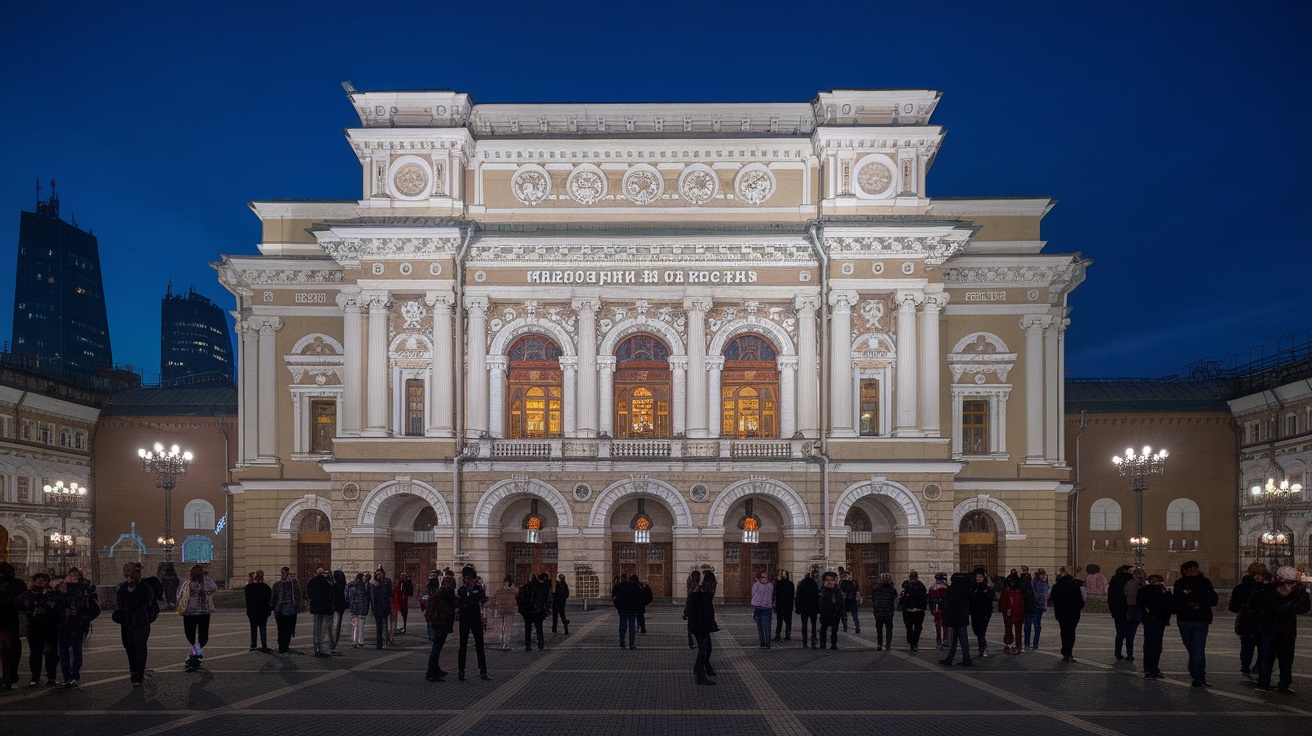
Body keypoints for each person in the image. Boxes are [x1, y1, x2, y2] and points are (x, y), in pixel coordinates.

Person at [1252, 566, 1311, 694]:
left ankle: (1269, 684)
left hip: (1275, 630)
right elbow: (1303, 607)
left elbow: (1305, 607)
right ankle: (1277, 684)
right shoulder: (1280, 591)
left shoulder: (1273, 590)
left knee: (1274, 658)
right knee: (1280, 659)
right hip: (1280, 630)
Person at [1172, 559, 1218, 687]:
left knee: (1197, 649)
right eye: (1190, 569)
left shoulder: (1204, 582)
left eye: (1195, 569)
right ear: (1185, 571)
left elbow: (1213, 599)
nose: (1193, 571)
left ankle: (1198, 677)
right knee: (1193, 649)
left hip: (1200, 619)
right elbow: (1176, 600)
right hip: (1185, 619)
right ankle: (1197, 675)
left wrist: (1199, 604)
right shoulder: (1180, 583)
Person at [112, 562, 159, 685]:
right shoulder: (122, 588)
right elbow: (119, 604)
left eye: (131, 575)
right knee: (129, 646)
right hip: (127, 623)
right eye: (127, 575)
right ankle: (133, 670)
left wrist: (147, 616)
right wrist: (120, 614)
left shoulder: (145, 588)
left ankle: (139, 673)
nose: (129, 578)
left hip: (141, 621)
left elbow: (151, 605)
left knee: (140, 646)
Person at [55, 567, 98, 687]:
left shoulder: (85, 588)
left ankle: (74, 675)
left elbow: (94, 606)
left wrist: (85, 617)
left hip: (78, 624)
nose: (74, 578)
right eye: (71, 575)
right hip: (64, 624)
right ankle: (66, 676)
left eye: (76, 575)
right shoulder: (63, 587)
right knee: (63, 651)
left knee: (76, 649)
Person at [1229, 561, 1269, 680]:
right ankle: (1246, 667)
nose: (1258, 577)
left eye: (1261, 574)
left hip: (1263, 622)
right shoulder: (1242, 588)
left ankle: (1256, 666)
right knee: (1248, 647)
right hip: (1249, 622)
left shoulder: (1267, 588)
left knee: (1263, 647)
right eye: (1255, 574)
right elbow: (1233, 607)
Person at [17, 572, 59, 686]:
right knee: (35, 653)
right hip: (34, 628)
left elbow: (55, 606)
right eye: (38, 581)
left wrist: (46, 596)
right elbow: (18, 603)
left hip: (49, 628)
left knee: (51, 654)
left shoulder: (52, 593)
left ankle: (51, 677)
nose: (40, 583)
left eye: (43, 581)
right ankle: (35, 677)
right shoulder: (29, 594)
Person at [179, 564, 217, 671]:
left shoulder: (188, 584)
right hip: (200, 612)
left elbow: (180, 595)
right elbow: (214, 587)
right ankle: (195, 654)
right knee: (201, 636)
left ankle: (193, 654)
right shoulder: (193, 584)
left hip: (193, 612)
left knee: (191, 635)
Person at [455, 565, 490, 681]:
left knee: (480, 645)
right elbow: (461, 601)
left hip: (475, 618)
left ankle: (483, 670)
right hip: (465, 618)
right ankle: (461, 671)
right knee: (463, 646)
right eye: (467, 578)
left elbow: (482, 598)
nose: (469, 581)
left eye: (470, 578)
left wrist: (475, 591)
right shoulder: (462, 590)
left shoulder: (478, 588)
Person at [1137, 573, 1172, 679]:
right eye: (1152, 579)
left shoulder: (1164, 591)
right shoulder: (1144, 590)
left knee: (1157, 645)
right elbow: (1140, 603)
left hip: (1160, 620)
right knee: (1149, 643)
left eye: (1157, 579)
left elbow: (1169, 605)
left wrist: (1166, 619)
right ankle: (1148, 668)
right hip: (1149, 620)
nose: (1154, 581)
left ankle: (1154, 667)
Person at [686, 569, 719, 685]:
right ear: (709, 583)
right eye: (713, 583)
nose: (714, 586)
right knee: (703, 650)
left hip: (702, 624)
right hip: (700, 625)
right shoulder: (700, 593)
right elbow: (690, 604)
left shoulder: (704, 592)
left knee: (708, 647)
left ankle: (706, 667)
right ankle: (699, 674)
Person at [424, 575, 457, 682]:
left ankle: (436, 669)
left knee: (437, 647)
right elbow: (455, 603)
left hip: (439, 623)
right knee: (436, 648)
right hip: (441, 623)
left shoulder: (438, 593)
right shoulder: (444, 595)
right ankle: (431, 672)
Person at [1050, 569, 1085, 662]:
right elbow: (1080, 600)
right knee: (1071, 632)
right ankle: (1068, 652)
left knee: (1064, 631)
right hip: (1074, 613)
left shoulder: (1057, 586)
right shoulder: (1075, 586)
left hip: (1061, 613)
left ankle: (1065, 650)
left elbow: (1052, 599)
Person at [0, 562, 25, 690]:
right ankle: (9, 675)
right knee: (9, 650)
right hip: (10, 621)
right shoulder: (18, 584)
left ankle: (8, 676)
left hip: (9, 621)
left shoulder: (16, 585)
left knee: (6, 650)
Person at [939, 572, 973, 667]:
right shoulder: (964, 590)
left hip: (956, 619)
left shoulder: (954, 590)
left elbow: (949, 606)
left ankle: (963, 659)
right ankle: (960, 659)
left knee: (958, 640)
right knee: (960, 640)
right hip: (960, 619)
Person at [270, 566, 303, 654]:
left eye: (286, 573)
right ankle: (281, 646)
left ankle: (286, 645)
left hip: (291, 610)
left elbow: (298, 594)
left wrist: (299, 607)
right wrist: (273, 607)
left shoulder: (293, 584)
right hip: (280, 610)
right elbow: (273, 597)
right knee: (281, 629)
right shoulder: (277, 584)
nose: (284, 575)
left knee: (289, 629)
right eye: (282, 573)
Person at [1107, 564, 1134, 661]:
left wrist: (1112, 610)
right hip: (1130, 609)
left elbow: (1111, 596)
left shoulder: (1114, 580)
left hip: (1118, 610)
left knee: (1120, 633)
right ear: (1126, 571)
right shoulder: (1131, 580)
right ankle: (1130, 654)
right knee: (1130, 633)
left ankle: (1118, 653)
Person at [306, 567, 334, 658]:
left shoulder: (312, 582)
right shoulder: (327, 582)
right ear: (322, 574)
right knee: (324, 627)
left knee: (316, 627)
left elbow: (309, 592)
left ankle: (316, 646)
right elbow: (331, 594)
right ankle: (323, 647)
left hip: (316, 607)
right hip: (325, 608)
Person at [968, 568, 995, 658]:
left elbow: (990, 601)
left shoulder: (987, 589)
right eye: (977, 577)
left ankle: (982, 649)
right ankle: (982, 647)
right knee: (976, 631)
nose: (978, 578)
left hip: (984, 614)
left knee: (981, 632)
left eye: (980, 577)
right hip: (975, 614)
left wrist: (988, 613)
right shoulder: (972, 587)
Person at [517, 573, 547, 651]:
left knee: (528, 628)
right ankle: (540, 643)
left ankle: (528, 645)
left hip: (527, 612)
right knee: (539, 628)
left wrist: (522, 609)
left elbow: (519, 599)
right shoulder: (541, 587)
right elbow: (543, 600)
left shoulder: (525, 587)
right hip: (537, 611)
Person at [899, 570, 927, 652]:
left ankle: (914, 643)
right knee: (909, 628)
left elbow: (923, 599)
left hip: (918, 611)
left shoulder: (921, 587)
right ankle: (911, 641)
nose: (913, 580)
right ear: (910, 578)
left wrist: (920, 608)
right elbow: (903, 599)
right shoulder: (906, 587)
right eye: (912, 578)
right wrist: (906, 607)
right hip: (908, 611)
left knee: (918, 628)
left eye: (915, 578)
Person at [245, 570, 272, 652]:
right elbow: (269, 599)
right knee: (263, 628)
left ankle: (253, 645)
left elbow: (247, 599)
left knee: (253, 628)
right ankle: (264, 646)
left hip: (252, 611)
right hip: (263, 611)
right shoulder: (266, 587)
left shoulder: (248, 588)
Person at [613, 574, 642, 650]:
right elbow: (640, 600)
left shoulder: (620, 586)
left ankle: (622, 643)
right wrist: (637, 609)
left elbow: (614, 596)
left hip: (622, 609)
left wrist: (618, 606)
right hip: (632, 610)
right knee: (631, 627)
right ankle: (631, 644)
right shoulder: (636, 587)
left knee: (622, 626)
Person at [998, 573, 1025, 655]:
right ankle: (1009, 645)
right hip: (1010, 615)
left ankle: (1017, 646)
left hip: (1017, 614)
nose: (1012, 583)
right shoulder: (1008, 591)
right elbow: (1002, 603)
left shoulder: (1019, 591)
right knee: (1009, 631)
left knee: (1017, 631)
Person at [869, 573, 897, 651]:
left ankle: (879, 644)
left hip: (879, 613)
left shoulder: (876, 590)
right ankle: (888, 644)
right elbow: (894, 598)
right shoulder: (892, 590)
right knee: (889, 629)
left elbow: (873, 600)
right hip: (888, 613)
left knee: (879, 629)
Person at [368, 567, 394, 650]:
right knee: (378, 626)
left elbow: (390, 593)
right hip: (376, 607)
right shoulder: (372, 583)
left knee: (384, 624)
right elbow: (370, 595)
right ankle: (379, 643)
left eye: (380, 573)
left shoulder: (386, 582)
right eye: (377, 573)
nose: (378, 575)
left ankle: (385, 641)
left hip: (385, 606)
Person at [1025, 568, 1050, 651]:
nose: (1043, 576)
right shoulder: (1036, 583)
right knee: (1034, 626)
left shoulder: (1045, 583)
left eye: (1044, 574)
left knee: (1036, 626)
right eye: (1041, 574)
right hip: (1034, 607)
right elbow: (1035, 594)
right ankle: (1029, 643)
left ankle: (1033, 644)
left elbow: (1047, 591)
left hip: (1039, 607)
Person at [818, 571, 844, 650]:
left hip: (835, 614)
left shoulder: (837, 591)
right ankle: (823, 644)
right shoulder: (822, 591)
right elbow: (819, 603)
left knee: (834, 630)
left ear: (835, 581)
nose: (829, 582)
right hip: (825, 613)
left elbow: (841, 603)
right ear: (824, 581)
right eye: (827, 580)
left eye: (832, 580)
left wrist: (839, 612)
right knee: (823, 629)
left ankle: (833, 645)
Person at [795, 569, 820, 649]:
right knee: (814, 625)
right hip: (813, 607)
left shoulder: (801, 583)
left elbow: (798, 597)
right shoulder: (814, 584)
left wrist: (798, 607)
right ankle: (813, 642)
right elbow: (817, 597)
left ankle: (804, 642)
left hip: (804, 607)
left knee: (804, 625)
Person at [492, 576, 518, 650]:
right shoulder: (513, 592)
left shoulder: (499, 591)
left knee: (501, 626)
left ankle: (502, 641)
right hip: (510, 611)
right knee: (508, 627)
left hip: (501, 610)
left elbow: (494, 600)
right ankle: (506, 642)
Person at [345, 572, 370, 649]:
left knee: (355, 625)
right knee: (361, 625)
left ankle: (355, 641)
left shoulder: (351, 585)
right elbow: (367, 595)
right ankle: (360, 641)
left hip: (354, 607)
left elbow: (347, 596)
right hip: (362, 607)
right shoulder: (364, 586)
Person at [750, 571, 774, 648]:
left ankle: (768, 643)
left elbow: (770, 594)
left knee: (767, 626)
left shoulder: (770, 585)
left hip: (767, 608)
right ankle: (762, 642)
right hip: (758, 608)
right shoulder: (756, 585)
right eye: (763, 577)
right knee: (759, 627)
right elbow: (753, 594)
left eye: (766, 577)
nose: (764, 579)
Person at [927, 572, 949, 650]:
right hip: (944, 609)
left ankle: (939, 641)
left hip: (936, 609)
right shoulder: (946, 587)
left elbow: (930, 599)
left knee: (938, 625)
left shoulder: (933, 587)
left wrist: (931, 609)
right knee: (944, 625)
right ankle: (945, 640)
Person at [773, 570, 794, 642]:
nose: (780, 576)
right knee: (785, 622)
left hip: (783, 606)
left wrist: (778, 581)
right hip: (786, 606)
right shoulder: (789, 583)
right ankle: (786, 635)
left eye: (782, 574)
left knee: (780, 622)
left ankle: (779, 635)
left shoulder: (781, 584)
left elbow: (778, 594)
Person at [330, 570, 348, 655]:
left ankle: (331, 645)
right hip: (340, 608)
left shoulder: (336, 586)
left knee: (334, 627)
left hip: (336, 608)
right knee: (336, 627)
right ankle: (333, 644)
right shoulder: (343, 586)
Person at [682, 569, 702, 649]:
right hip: (698, 611)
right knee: (697, 628)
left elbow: (688, 602)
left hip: (692, 611)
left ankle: (691, 643)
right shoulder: (699, 588)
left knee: (690, 629)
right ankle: (696, 642)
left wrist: (685, 612)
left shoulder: (690, 587)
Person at [392, 571, 413, 636]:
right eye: (401, 576)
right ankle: (399, 626)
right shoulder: (399, 582)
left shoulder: (407, 582)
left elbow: (409, 590)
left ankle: (403, 626)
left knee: (404, 613)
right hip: (399, 600)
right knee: (399, 613)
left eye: (403, 576)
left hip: (403, 600)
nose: (402, 577)